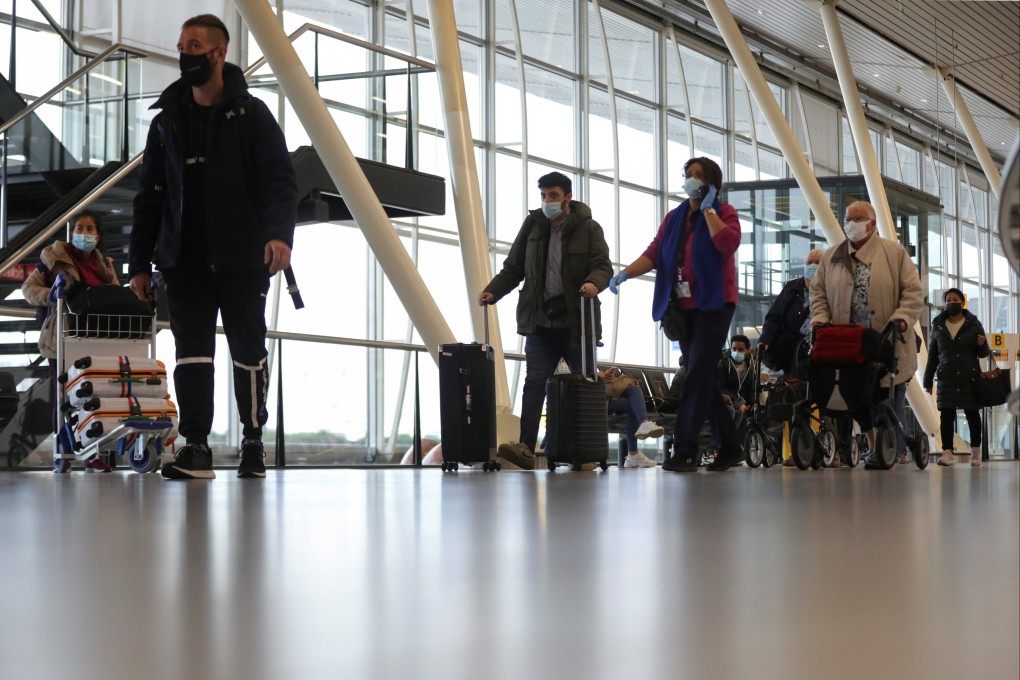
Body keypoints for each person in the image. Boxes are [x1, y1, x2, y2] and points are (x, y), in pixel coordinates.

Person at [128, 14, 297, 480]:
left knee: (249, 352)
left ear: (219, 53)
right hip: (184, 260)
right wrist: (139, 263)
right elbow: (150, 197)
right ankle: (196, 445)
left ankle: (253, 440)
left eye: (195, 46)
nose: (186, 54)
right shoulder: (166, 123)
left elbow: (280, 180)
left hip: (244, 258)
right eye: (182, 45)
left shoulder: (252, 114)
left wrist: (279, 234)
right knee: (192, 353)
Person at [608, 157, 743, 472]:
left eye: (698, 175)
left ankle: (685, 449)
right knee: (704, 378)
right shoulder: (674, 218)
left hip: (714, 304)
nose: (691, 180)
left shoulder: (724, 213)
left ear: (711, 182)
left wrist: (709, 210)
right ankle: (732, 447)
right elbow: (655, 252)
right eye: (688, 174)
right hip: (683, 310)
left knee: (696, 374)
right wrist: (625, 273)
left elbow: (727, 243)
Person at [478, 171, 612, 470]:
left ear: (568, 197)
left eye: (553, 195)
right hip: (540, 322)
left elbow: (602, 266)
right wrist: (492, 291)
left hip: (577, 323)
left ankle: (583, 448)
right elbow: (513, 268)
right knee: (535, 383)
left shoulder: (589, 228)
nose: (547, 201)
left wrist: (593, 283)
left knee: (583, 385)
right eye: (543, 195)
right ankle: (526, 447)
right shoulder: (533, 226)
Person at [809, 200, 924, 469]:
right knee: (857, 399)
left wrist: (903, 318)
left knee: (884, 398)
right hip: (847, 343)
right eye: (848, 218)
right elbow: (818, 294)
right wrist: (820, 320)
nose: (852, 223)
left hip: (884, 340)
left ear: (872, 223)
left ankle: (887, 449)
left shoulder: (894, 254)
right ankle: (872, 447)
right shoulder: (833, 256)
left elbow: (913, 292)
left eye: (858, 218)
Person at [21, 210, 119, 473]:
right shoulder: (53, 259)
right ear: (71, 232)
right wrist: (53, 295)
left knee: (93, 395)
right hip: (62, 338)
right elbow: (28, 289)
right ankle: (64, 451)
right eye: (80, 228)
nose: (84, 234)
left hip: (96, 339)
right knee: (63, 396)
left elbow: (115, 295)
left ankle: (91, 453)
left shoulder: (105, 266)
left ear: (98, 236)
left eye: (90, 229)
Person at [923, 289, 990, 467]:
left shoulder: (974, 324)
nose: (951, 302)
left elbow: (984, 353)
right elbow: (933, 356)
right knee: (946, 415)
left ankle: (976, 451)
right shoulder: (937, 325)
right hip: (947, 377)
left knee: (972, 414)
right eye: (948, 300)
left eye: (955, 299)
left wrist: (982, 345)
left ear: (962, 302)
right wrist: (927, 381)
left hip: (970, 376)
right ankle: (947, 453)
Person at [758, 249, 825, 380]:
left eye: (817, 263)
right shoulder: (791, 287)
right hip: (789, 349)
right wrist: (766, 339)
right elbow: (774, 317)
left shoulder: (829, 289)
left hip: (815, 351)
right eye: (809, 262)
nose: (812, 266)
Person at [599, 367, 663, 468]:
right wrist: (597, 375)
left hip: (605, 391)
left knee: (634, 389)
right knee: (634, 406)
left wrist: (604, 374)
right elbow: (576, 375)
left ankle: (644, 424)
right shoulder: (578, 355)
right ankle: (633, 453)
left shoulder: (586, 355)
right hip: (597, 396)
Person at [705, 335, 755, 464]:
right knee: (734, 412)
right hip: (723, 399)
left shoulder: (750, 363)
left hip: (738, 400)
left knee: (741, 413)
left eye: (740, 349)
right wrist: (739, 403)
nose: (736, 352)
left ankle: (730, 449)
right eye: (734, 348)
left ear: (747, 350)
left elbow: (751, 386)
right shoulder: (724, 361)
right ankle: (713, 450)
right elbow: (721, 387)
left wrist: (751, 403)